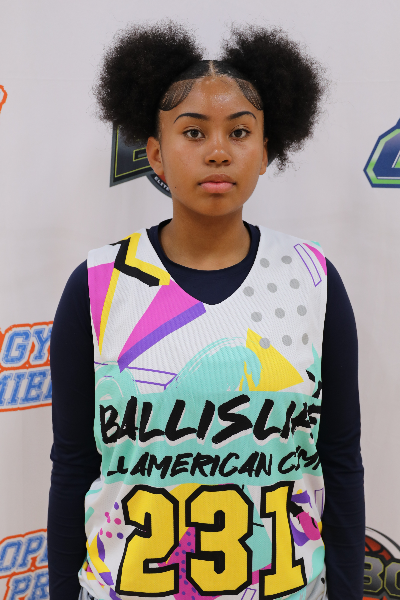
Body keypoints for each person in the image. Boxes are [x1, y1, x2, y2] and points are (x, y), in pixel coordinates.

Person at [47, 21, 365, 600]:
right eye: (193, 132)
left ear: (265, 151)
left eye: (239, 132)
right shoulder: (98, 284)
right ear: (155, 154)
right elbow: (73, 464)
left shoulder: (312, 278)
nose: (218, 151)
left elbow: (340, 459)